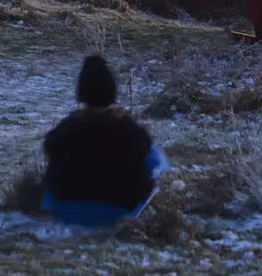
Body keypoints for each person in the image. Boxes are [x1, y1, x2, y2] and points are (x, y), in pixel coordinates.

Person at [40, 55, 167, 227]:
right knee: (153, 157)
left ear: (82, 90)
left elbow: (50, 146)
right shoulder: (128, 130)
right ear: (111, 89)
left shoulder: (67, 128)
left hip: (66, 206)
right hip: (118, 208)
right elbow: (145, 148)